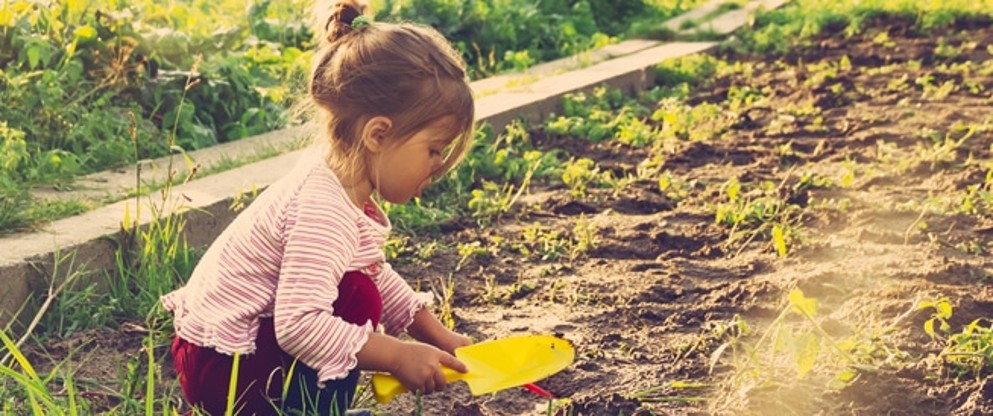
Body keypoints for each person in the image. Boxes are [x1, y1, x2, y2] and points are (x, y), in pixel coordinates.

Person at [162, 1, 476, 414]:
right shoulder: (321, 209)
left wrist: (439, 337)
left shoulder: (341, 185)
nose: (437, 168)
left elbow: (374, 271)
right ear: (378, 135)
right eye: (434, 150)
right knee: (356, 297)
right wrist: (398, 356)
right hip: (224, 366)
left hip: (232, 355)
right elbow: (299, 326)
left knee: (359, 287)